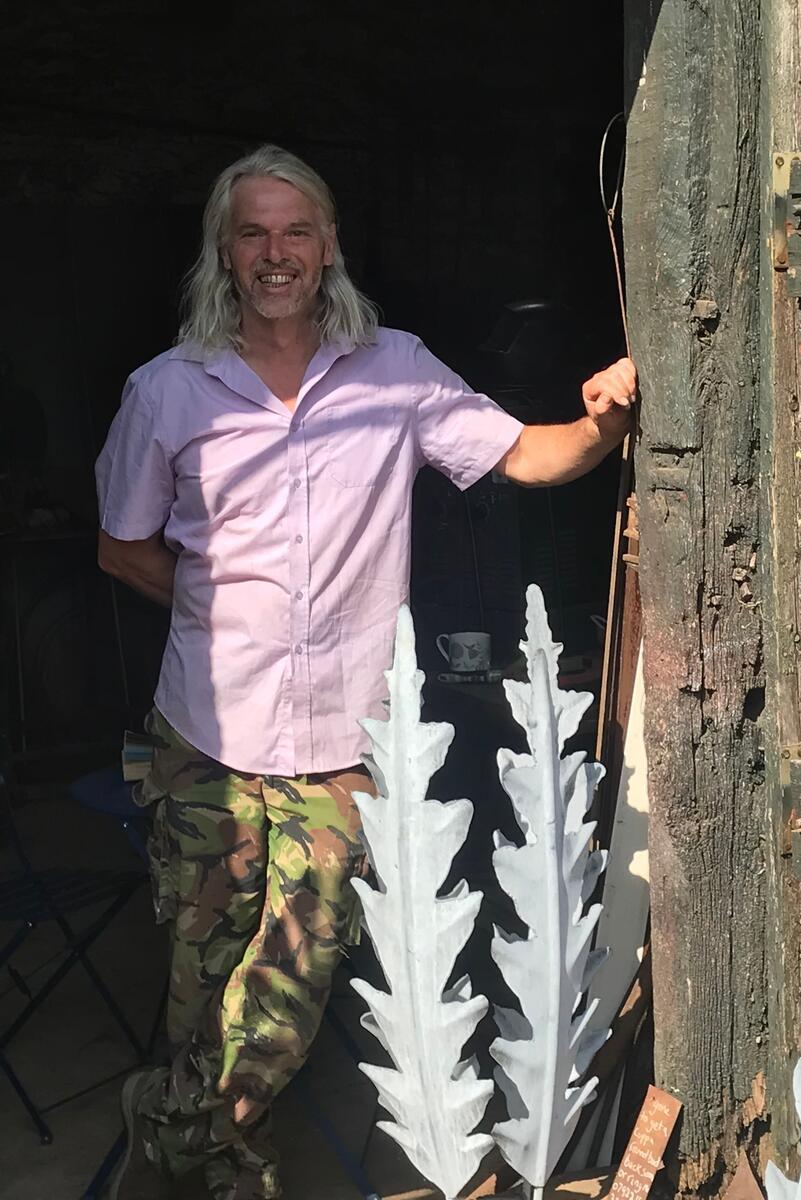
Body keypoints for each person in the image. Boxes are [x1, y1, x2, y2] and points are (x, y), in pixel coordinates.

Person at [95, 143, 636, 1200]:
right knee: (203, 987)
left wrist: (603, 422)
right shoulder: (166, 391)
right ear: (224, 251)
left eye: (296, 231)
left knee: (285, 995)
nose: (276, 253)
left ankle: (173, 1129)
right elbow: (123, 545)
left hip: (344, 748)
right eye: (252, 233)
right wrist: (217, 614)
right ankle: (213, 1162)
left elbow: (526, 454)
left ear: (330, 244)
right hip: (203, 740)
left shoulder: (395, 370)